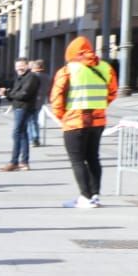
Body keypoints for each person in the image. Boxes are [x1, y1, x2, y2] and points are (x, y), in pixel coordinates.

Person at [50, 36, 118, 208]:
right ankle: (94, 196)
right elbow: (112, 92)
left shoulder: (67, 70)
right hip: (98, 121)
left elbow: (56, 97)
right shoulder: (105, 67)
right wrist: (99, 108)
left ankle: (85, 197)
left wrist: (62, 117)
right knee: (93, 157)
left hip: (75, 121)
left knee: (77, 160)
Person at [2, 59, 41, 172]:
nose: (19, 68)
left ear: (27, 66)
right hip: (18, 107)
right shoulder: (20, 78)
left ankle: (14, 162)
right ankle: (24, 162)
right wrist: (6, 93)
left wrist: (8, 93)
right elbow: (15, 94)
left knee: (17, 133)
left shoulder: (31, 77)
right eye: (17, 66)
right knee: (22, 134)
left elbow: (24, 94)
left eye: (21, 66)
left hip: (24, 108)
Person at [28, 58, 49, 146]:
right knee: (34, 119)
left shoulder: (33, 76)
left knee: (31, 120)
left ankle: (34, 138)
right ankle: (34, 137)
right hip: (41, 100)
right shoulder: (47, 76)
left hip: (32, 100)